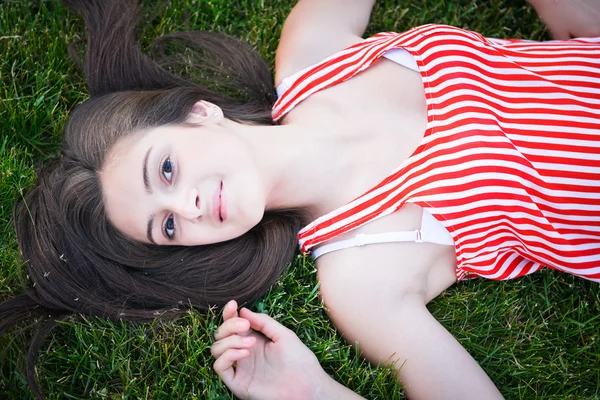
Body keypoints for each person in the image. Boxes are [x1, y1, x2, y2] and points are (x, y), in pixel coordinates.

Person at [0, 0, 598, 398]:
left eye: (167, 169)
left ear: (198, 113)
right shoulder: (362, 271)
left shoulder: (314, 55)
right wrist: (316, 394)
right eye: (168, 229)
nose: (187, 208)